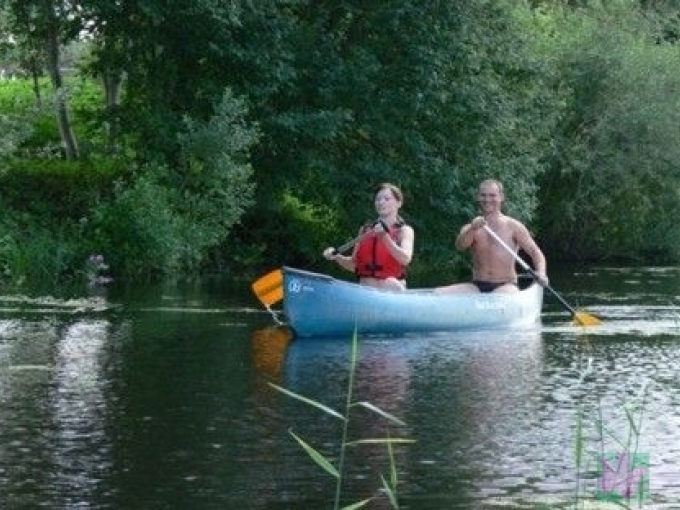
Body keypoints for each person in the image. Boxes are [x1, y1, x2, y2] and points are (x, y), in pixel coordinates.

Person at [436, 178, 548, 294]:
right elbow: (460, 246)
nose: (487, 199)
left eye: (492, 195)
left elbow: (535, 252)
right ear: (478, 197)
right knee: (438, 293)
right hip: (477, 285)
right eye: (483, 195)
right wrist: (472, 228)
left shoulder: (513, 226)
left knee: (497, 298)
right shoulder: (470, 227)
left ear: (501, 197)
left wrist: (541, 272)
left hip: (506, 284)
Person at [323, 183, 415, 291]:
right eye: (378, 199)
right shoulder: (365, 230)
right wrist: (337, 257)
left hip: (392, 292)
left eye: (387, 199)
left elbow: (405, 259)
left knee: (390, 282)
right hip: (366, 291)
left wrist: (385, 237)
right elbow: (354, 265)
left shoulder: (404, 231)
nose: (381, 202)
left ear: (399, 203)